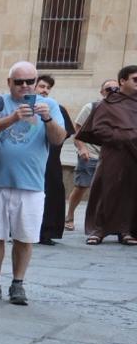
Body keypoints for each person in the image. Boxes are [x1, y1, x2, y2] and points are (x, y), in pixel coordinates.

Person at [0, 61, 66, 305]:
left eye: (30, 82)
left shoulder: (51, 106)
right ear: (9, 83)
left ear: (36, 83)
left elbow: (58, 139)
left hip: (31, 184)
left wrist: (47, 119)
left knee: (25, 237)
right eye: (19, 82)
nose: (25, 86)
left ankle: (18, 284)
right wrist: (13, 117)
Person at [80, 65, 137, 245]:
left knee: (131, 193)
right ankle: (99, 229)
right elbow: (99, 128)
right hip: (114, 153)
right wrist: (123, 135)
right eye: (135, 79)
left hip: (134, 156)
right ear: (122, 81)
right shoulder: (108, 104)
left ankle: (125, 230)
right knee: (107, 189)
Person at [68, 78, 118, 233]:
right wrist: (82, 148)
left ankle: (99, 223)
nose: (113, 92)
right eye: (109, 89)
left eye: (116, 89)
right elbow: (77, 129)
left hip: (110, 157)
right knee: (81, 186)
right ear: (102, 92)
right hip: (90, 154)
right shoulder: (92, 107)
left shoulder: (123, 109)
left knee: (106, 190)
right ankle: (69, 216)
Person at [35, 75, 75, 245]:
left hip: (51, 161)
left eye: (48, 87)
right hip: (33, 161)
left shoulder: (58, 109)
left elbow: (64, 134)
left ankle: (48, 231)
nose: (45, 90)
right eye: (41, 86)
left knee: (52, 194)